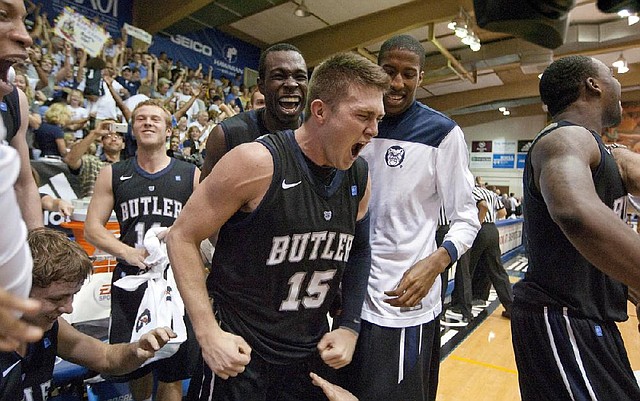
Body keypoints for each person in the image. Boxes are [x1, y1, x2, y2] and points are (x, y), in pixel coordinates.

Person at [166, 52, 389, 401]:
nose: (373, 130)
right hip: (241, 351)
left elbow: (360, 250)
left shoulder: (359, 175)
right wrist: (207, 332)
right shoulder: (255, 162)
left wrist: (349, 326)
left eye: (378, 118)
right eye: (363, 116)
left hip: (309, 352)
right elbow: (181, 236)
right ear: (319, 111)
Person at [339, 35, 480, 401]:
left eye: (408, 74)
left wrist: (436, 262)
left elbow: (468, 218)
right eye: (389, 72)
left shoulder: (443, 133)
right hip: (344, 295)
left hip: (400, 300)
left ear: (421, 77)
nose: (397, 83)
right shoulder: (352, 121)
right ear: (376, 69)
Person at [511, 55, 640, 400]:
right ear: (593, 85)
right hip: (561, 317)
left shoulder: (603, 153)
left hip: (590, 320)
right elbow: (574, 212)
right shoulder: (565, 138)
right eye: (611, 74)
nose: (618, 83)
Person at [84, 99, 200, 401]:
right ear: (133, 128)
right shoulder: (113, 172)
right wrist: (127, 252)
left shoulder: (191, 174)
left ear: (169, 130)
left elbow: (206, 226)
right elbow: (92, 229)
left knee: (174, 370)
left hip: (177, 281)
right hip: (131, 278)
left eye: (155, 119)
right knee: (136, 362)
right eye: (141, 119)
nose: (148, 123)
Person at [0, 228, 177, 400]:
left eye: (72, 295)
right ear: (18, 289)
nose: (68, 308)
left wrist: (136, 350)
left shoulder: (52, 327)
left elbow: (106, 358)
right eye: (56, 299)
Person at [200, 43, 308, 179]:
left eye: (300, 77)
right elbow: (206, 198)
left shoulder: (321, 133)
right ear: (261, 86)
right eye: (279, 76)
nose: (292, 84)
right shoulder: (227, 135)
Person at [63, 120, 124, 198]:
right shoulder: (92, 162)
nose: (113, 139)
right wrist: (95, 133)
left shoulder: (128, 168)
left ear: (123, 145)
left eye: (118, 137)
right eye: (108, 136)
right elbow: (70, 160)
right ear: (101, 143)